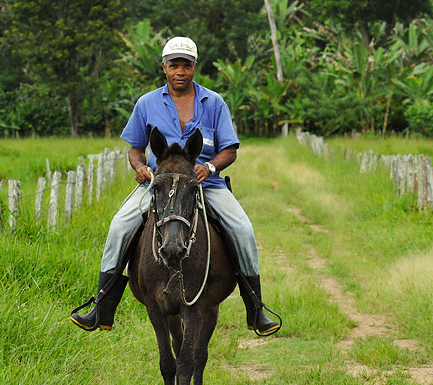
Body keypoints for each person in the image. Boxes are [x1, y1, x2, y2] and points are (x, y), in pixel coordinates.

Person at [70, 36, 280, 336]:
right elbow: (134, 148)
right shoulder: (147, 103)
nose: (180, 71)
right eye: (174, 66)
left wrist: (209, 166)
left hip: (206, 184)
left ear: (194, 67)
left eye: (186, 66)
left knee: (243, 229)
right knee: (119, 226)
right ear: (164, 67)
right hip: (160, 185)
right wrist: (141, 168)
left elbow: (229, 150)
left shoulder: (214, 102)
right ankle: (102, 308)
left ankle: (256, 308)